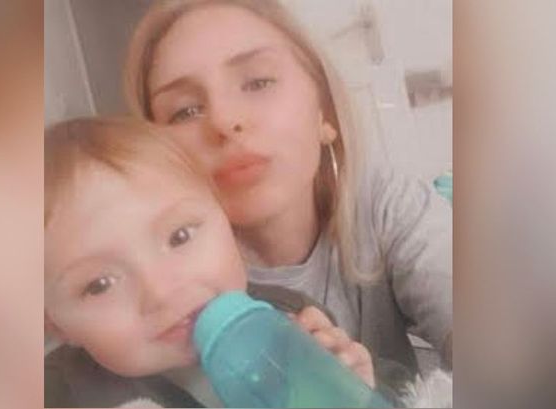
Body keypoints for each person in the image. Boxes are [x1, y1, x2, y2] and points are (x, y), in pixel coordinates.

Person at [124, 0, 453, 377]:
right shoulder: (166, 297)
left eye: (258, 83)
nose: (224, 120)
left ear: (324, 113)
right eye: (185, 111)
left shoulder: (386, 204)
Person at [44, 117, 379, 407]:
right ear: (53, 324)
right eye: (99, 285)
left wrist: (352, 386)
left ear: (228, 221)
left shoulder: (292, 315)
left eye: (179, 237)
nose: (161, 291)